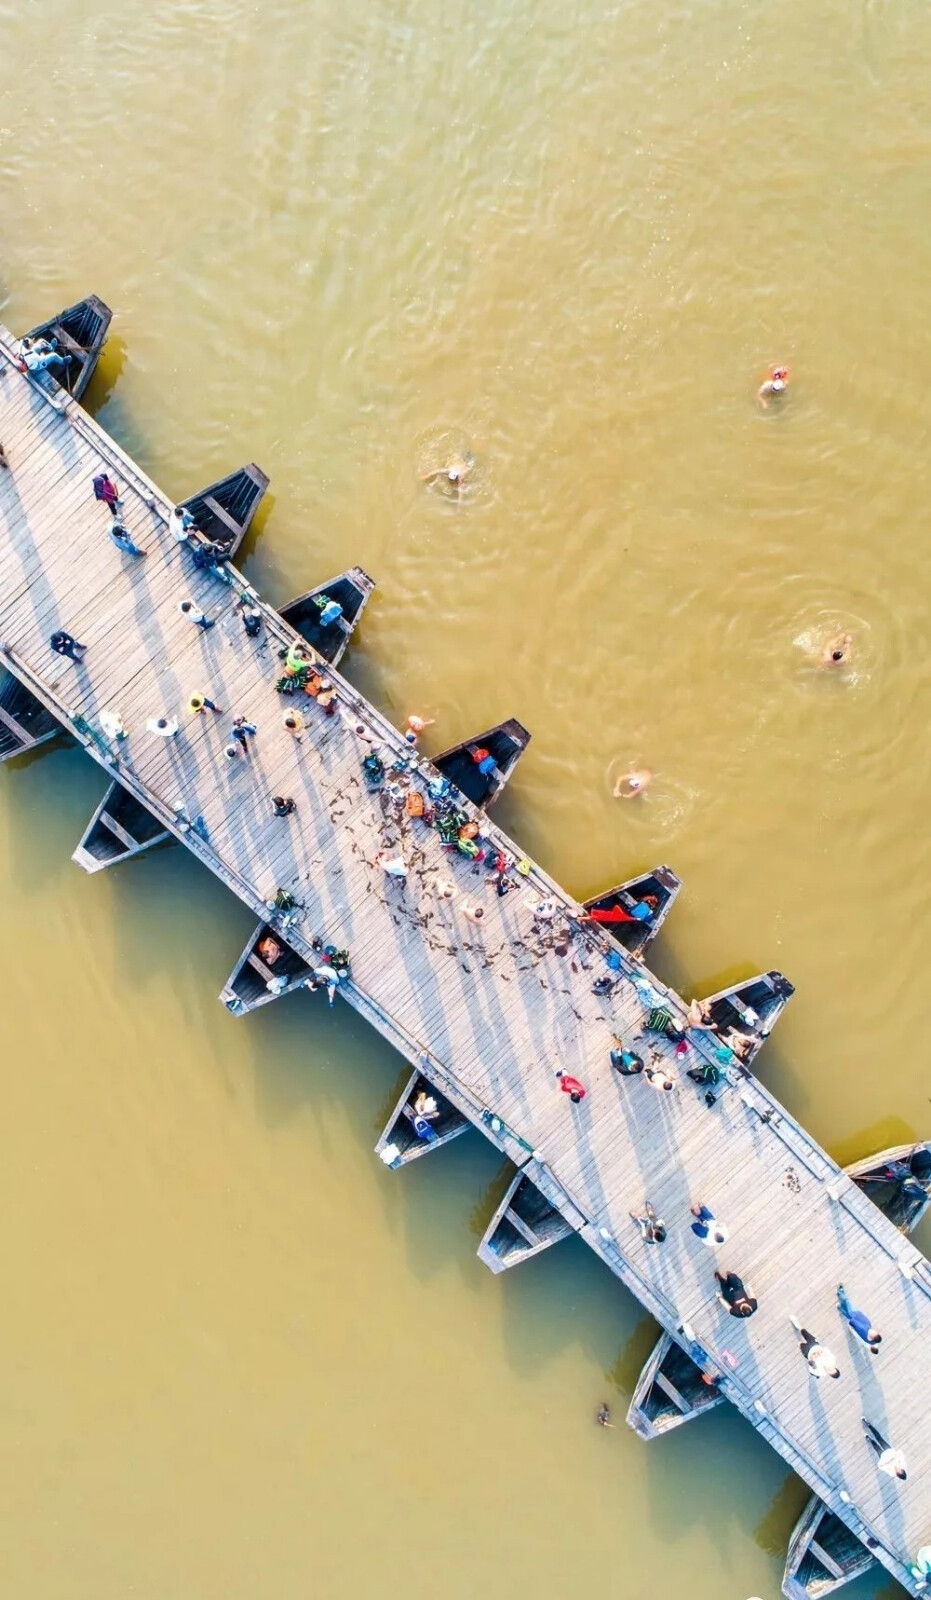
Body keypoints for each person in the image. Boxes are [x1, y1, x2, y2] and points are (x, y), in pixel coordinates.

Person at [836, 1285, 881, 1353]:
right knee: (847, 1312)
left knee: (847, 1302)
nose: (875, 1331)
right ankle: (839, 1308)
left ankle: (839, 1292)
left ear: (872, 1337)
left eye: (874, 1333)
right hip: (857, 1316)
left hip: (855, 1315)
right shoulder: (870, 1340)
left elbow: (856, 1324)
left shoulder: (864, 1330)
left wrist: (852, 1321)